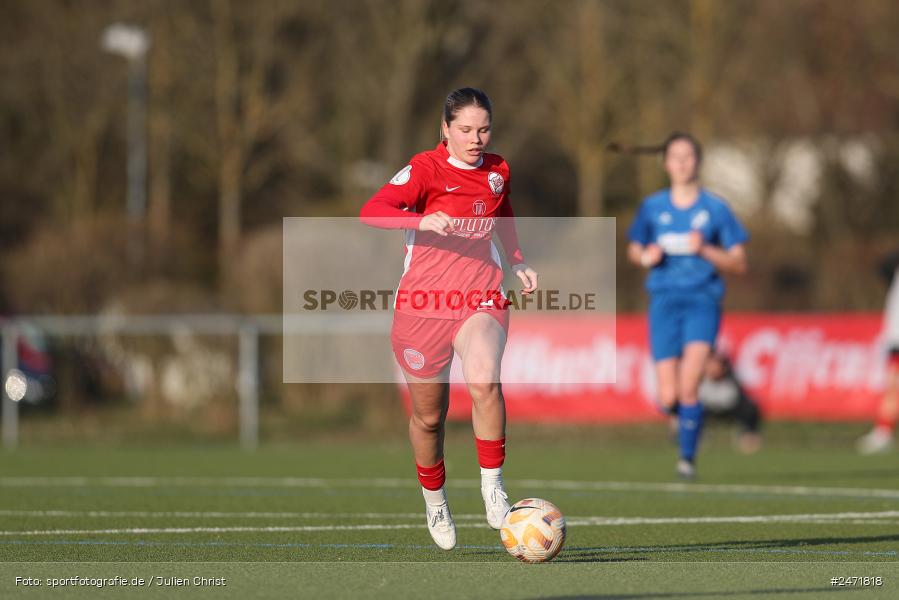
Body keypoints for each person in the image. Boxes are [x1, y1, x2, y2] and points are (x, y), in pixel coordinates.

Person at [359, 88, 538, 549]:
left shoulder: (498, 171)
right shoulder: (425, 169)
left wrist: (516, 261)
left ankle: (492, 486)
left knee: (484, 381)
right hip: (423, 309)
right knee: (428, 419)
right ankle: (435, 501)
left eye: (483, 129)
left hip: (480, 295)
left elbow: (503, 216)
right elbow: (371, 211)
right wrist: (418, 221)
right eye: (465, 130)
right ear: (445, 129)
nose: (475, 139)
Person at [626, 132, 748, 479]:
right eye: (675, 157)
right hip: (663, 302)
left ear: (698, 161)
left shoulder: (715, 208)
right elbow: (635, 249)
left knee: (689, 385)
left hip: (702, 301)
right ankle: (685, 421)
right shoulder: (652, 207)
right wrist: (646, 255)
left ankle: (687, 460)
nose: (681, 163)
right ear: (665, 163)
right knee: (668, 396)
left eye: (688, 156)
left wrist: (705, 250)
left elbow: (739, 262)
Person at [856, 249, 899, 454]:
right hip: (895, 337)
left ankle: (883, 432)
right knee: (893, 387)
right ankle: (883, 432)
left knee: (893, 387)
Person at [697, 348, 762, 454]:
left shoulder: (731, 380)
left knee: (750, 408)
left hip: (729, 410)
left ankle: (748, 436)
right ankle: (694, 438)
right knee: (689, 410)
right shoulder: (699, 380)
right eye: (711, 364)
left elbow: (741, 399)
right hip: (707, 411)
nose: (714, 368)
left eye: (717, 364)